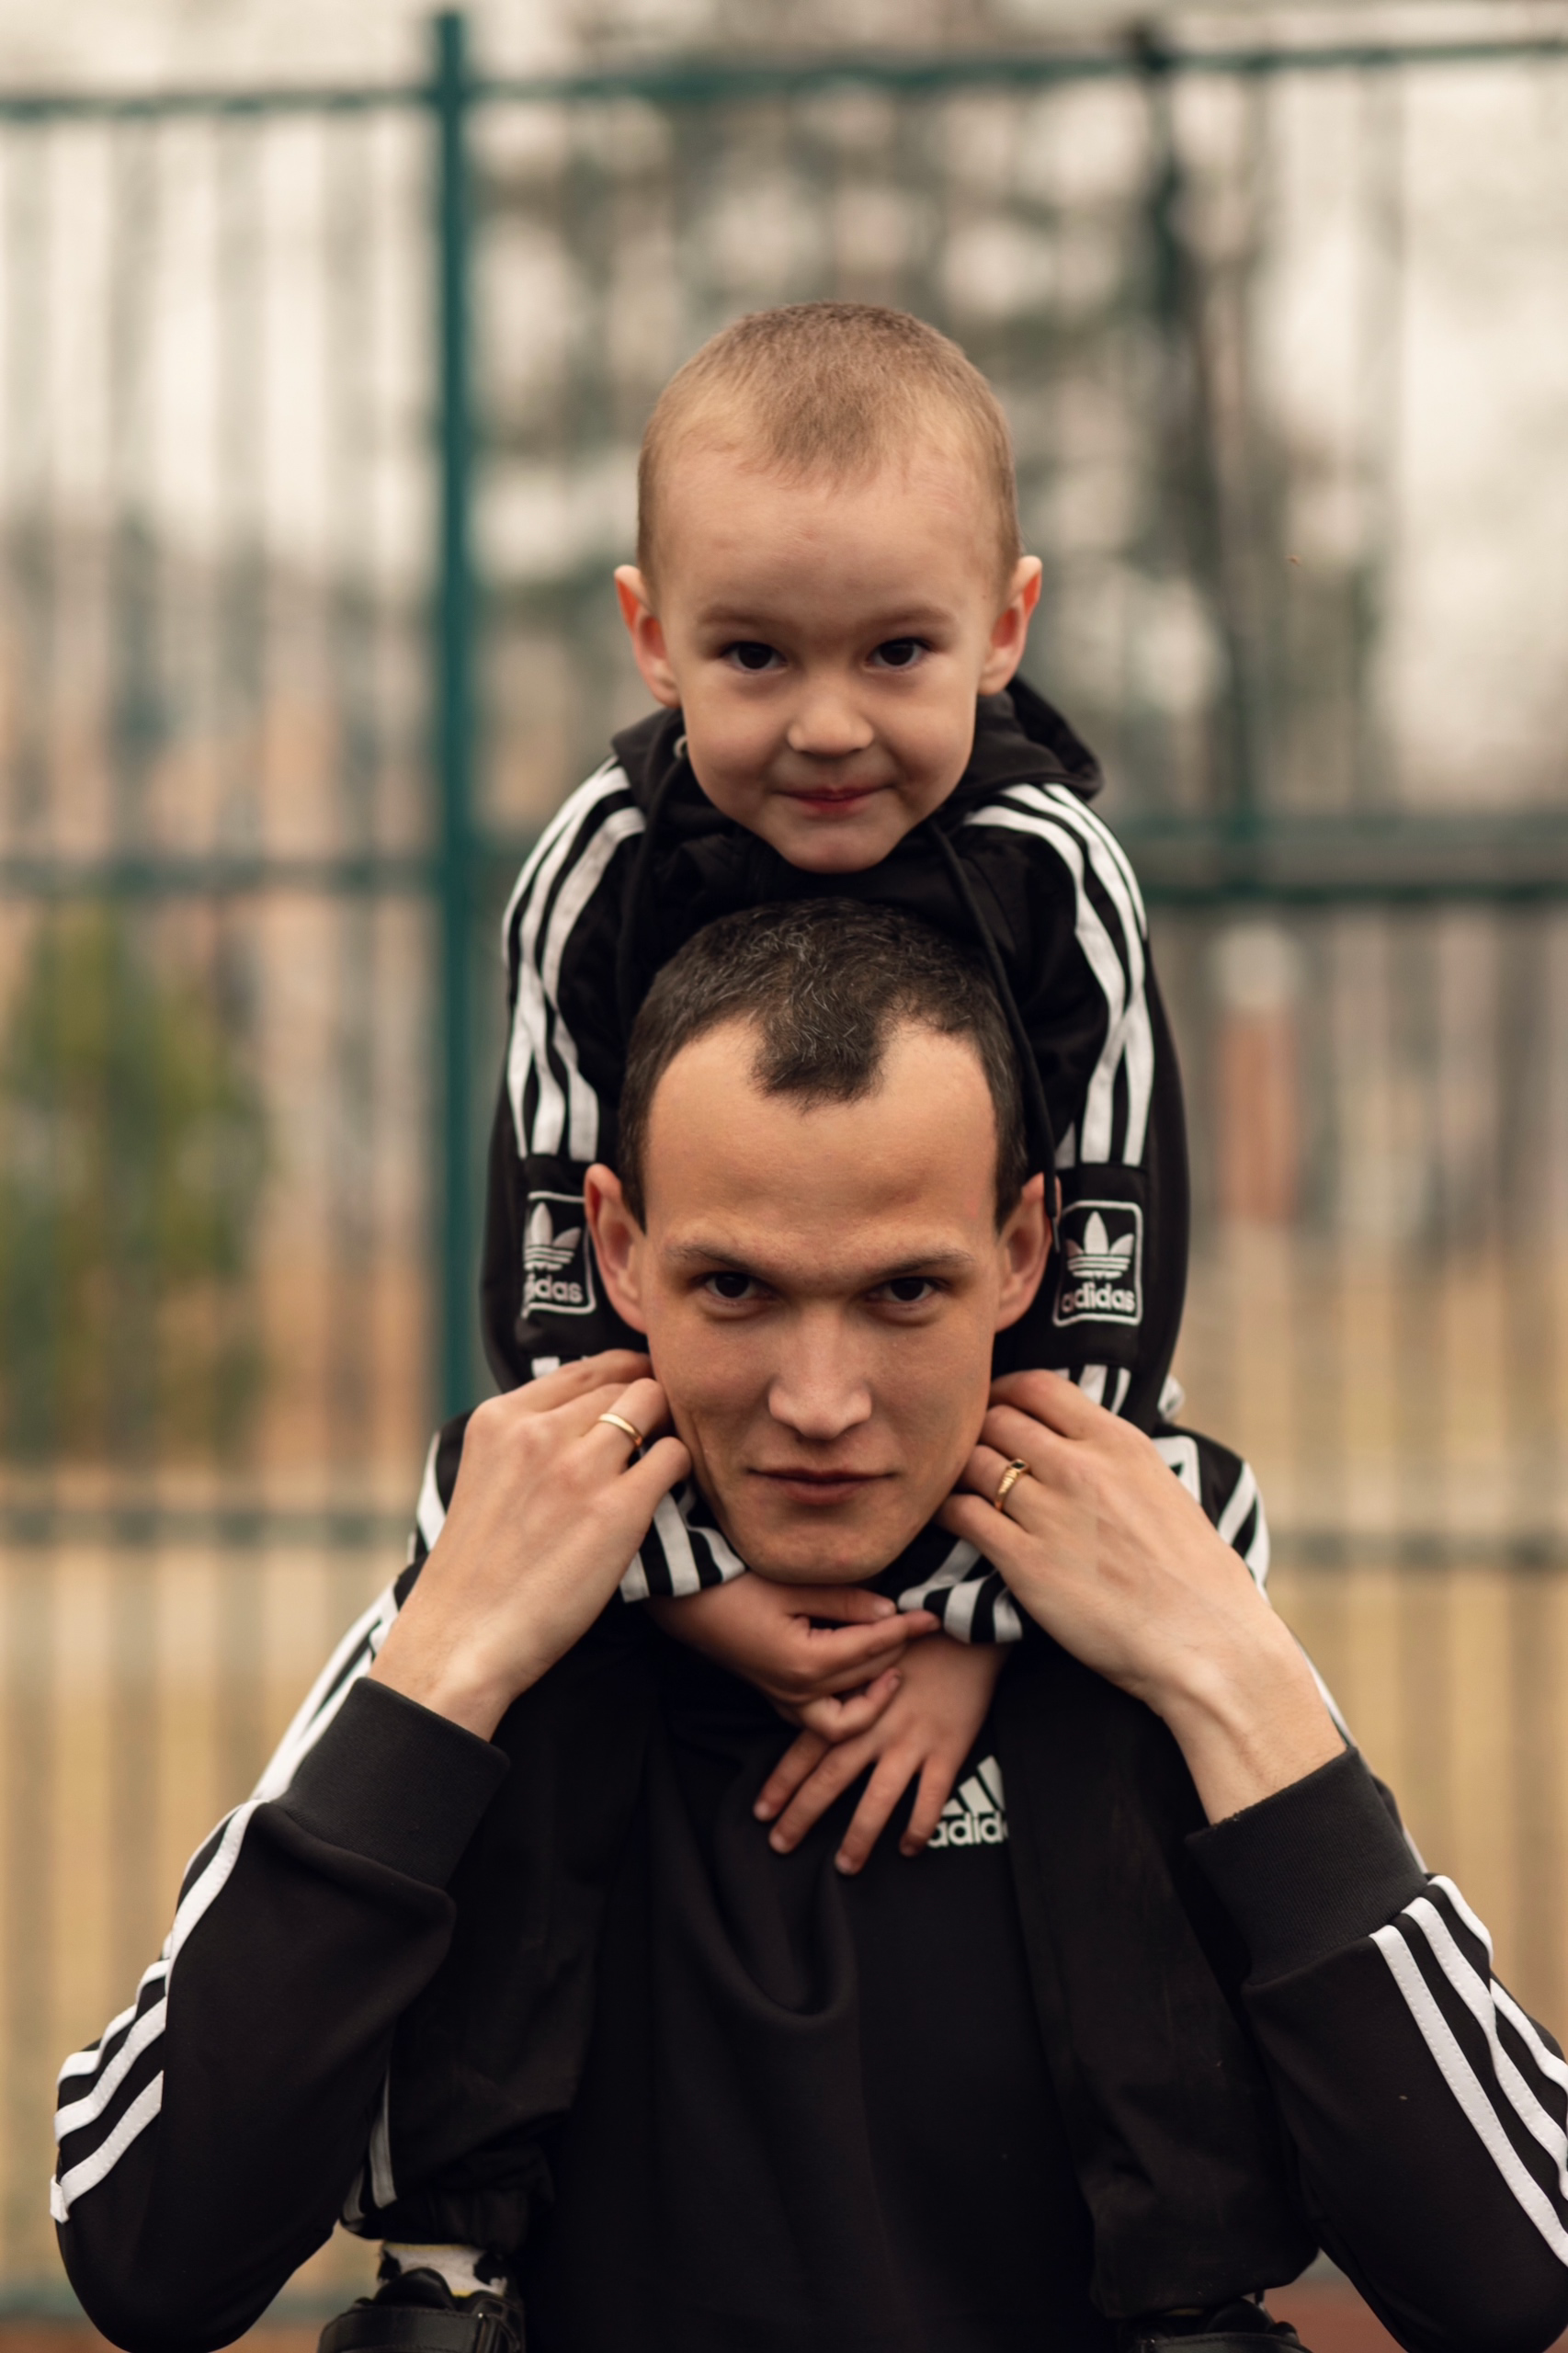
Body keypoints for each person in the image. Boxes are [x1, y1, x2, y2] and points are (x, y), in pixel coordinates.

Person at [54, 904, 1568, 2353]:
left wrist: (1227, 1670)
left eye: (905, 1290)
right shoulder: (494, 1622)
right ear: (616, 1249)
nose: (820, 1403)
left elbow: (1506, 2274)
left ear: (1024, 1252)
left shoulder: (1152, 1635)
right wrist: (450, 1661)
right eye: (734, 1286)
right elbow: (152, 2256)